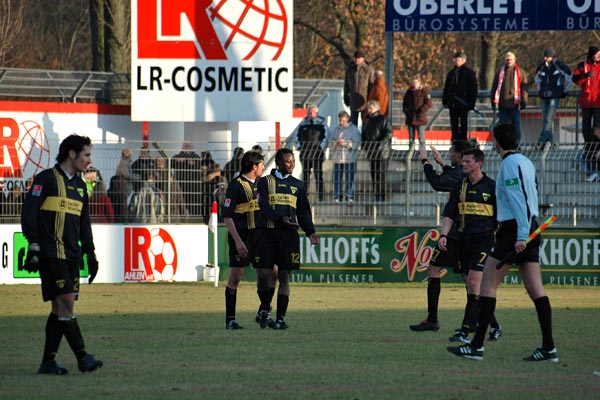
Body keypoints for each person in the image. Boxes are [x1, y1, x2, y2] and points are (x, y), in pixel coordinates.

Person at [448, 124, 559, 362]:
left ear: (496, 142)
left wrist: (520, 236)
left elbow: (518, 199)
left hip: (515, 230)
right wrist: (526, 231)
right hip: (529, 226)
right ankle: (549, 348)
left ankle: (476, 346)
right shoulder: (526, 162)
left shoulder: (509, 164)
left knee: (487, 285)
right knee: (535, 290)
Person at [21, 134, 103, 375]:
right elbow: (29, 213)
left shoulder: (81, 186)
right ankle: (82, 357)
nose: (89, 160)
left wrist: (90, 254)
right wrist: (33, 246)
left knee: (59, 308)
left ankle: (48, 362)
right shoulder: (46, 179)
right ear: (72, 154)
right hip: (51, 253)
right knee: (66, 301)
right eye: (86, 155)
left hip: (72, 256)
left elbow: (84, 224)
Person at [437, 148, 500, 344]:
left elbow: (501, 216)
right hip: (464, 239)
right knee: (471, 284)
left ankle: (465, 330)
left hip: (484, 239)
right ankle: (494, 325)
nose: (463, 164)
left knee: (473, 281)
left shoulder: (491, 187)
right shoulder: (460, 185)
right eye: (463, 161)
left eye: (467, 162)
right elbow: (449, 214)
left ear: (478, 164)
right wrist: (443, 235)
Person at [255, 148, 320, 329]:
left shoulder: (298, 185)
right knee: (263, 273)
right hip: (267, 234)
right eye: (287, 161)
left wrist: (310, 232)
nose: (291, 165)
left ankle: (280, 320)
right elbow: (263, 207)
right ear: (278, 163)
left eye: (293, 161)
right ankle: (265, 307)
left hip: (289, 236)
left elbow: (304, 212)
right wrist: (280, 218)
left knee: (284, 276)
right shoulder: (265, 182)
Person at [222, 151, 274, 329]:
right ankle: (230, 320)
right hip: (241, 236)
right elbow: (227, 216)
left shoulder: (263, 183)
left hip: (260, 236)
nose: (263, 167)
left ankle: (264, 310)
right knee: (236, 277)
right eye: (261, 164)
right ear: (254, 167)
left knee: (270, 272)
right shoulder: (235, 186)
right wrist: (238, 241)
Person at [535, 47, 572, 149]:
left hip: (554, 96)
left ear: (553, 57)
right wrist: (540, 90)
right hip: (544, 96)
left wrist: (564, 90)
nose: (545, 58)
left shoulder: (560, 66)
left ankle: (541, 141)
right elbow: (537, 79)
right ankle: (549, 142)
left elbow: (569, 78)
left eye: (547, 57)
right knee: (546, 119)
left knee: (548, 119)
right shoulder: (542, 67)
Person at [573, 46, 600, 182]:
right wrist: (585, 75)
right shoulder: (582, 65)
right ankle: (589, 146)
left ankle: (595, 147)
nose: (598, 56)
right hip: (586, 101)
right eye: (597, 54)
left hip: (598, 102)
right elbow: (575, 79)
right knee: (586, 126)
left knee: (597, 127)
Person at [491, 52, 528, 143]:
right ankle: (503, 144)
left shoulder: (521, 72)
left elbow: (524, 88)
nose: (509, 61)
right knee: (503, 127)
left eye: (511, 60)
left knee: (516, 126)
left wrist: (524, 100)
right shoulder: (499, 73)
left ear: (515, 60)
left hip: (515, 104)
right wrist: (493, 100)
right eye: (507, 60)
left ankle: (517, 143)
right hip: (502, 104)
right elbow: (494, 87)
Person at [294, 104, 329, 201]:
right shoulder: (302, 124)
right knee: (305, 175)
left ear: (317, 113)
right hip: (305, 153)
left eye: (313, 112)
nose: (311, 114)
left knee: (318, 174)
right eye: (309, 112)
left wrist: (321, 147)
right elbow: (296, 136)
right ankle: (304, 196)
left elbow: (326, 136)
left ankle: (321, 196)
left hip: (317, 154)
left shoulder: (322, 124)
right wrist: (299, 147)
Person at [442, 51, 478, 142]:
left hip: (464, 103)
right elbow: (447, 88)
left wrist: (472, 103)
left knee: (463, 123)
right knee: (453, 123)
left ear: (463, 60)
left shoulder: (469, 73)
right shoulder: (451, 73)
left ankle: (463, 141)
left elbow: (473, 89)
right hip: (453, 103)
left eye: (457, 59)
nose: (455, 61)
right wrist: (445, 100)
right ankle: (454, 140)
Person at [362, 100, 392, 202]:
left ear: (377, 108)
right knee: (374, 175)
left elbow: (388, 133)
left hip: (382, 152)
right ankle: (376, 195)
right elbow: (364, 135)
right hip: (372, 152)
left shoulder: (383, 119)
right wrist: (365, 146)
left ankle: (382, 197)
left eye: (371, 108)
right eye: (368, 108)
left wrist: (379, 144)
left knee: (381, 175)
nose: (369, 110)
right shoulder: (368, 121)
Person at [329, 110, 361, 205]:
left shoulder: (353, 129)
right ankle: (337, 196)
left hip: (349, 158)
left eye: (343, 120)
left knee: (349, 179)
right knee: (337, 179)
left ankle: (349, 197)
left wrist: (346, 143)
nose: (341, 122)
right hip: (338, 158)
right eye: (340, 120)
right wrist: (335, 143)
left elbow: (357, 143)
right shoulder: (336, 129)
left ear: (347, 119)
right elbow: (330, 141)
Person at [171, 142, 203, 220]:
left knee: (193, 204)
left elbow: (198, 165)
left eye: (188, 146)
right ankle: (181, 219)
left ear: (191, 147)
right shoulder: (177, 156)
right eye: (185, 146)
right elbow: (171, 162)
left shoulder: (196, 157)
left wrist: (187, 161)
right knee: (181, 203)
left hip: (193, 185)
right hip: (181, 184)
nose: (186, 147)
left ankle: (194, 219)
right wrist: (178, 161)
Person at [344, 50, 375, 127]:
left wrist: (370, 100)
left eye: (359, 58)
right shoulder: (349, 69)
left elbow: (372, 86)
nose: (357, 59)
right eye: (355, 58)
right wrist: (346, 97)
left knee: (365, 123)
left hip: (365, 101)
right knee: (353, 124)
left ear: (363, 58)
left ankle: (364, 135)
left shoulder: (368, 70)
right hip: (353, 100)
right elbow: (346, 85)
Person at [403, 76, 432, 148]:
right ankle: (411, 153)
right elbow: (404, 103)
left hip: (420, 117)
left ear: (419, 83)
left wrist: (421, 111)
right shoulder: (409, 92)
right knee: (411, 138)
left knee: (421, 138)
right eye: (413, 82)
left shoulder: (424, 91)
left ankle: (422, 153)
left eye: (416, 82)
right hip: (410, 117)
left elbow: (428, 103)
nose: (415, 84)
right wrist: (407, 112)